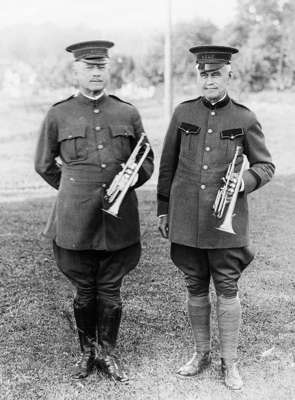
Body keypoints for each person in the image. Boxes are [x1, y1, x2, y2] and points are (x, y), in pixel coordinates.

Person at [35, 40, 154, 381]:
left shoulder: (127, 112)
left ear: (108, 69)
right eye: (89, 67)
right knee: (84, 292)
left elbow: (145, 160)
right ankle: (87, 352)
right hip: (75, 221)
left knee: (112, 294)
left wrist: (124, 186)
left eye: (101, 66)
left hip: (118, 221)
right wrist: (76, 189)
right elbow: (45, 165)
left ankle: (109, 353)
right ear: (76, 70)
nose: (96, 72)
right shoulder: (59, 114)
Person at [157, 45, 275, 390]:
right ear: (198, 75)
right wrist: (164, 208)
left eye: (216, 74)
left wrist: (245, 180)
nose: (209, 80)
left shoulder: (244, 118)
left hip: (227, 221)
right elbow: (167, 165)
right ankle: (200, 354)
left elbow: (266, 166)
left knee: (226, 287)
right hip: (187, 220)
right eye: (204, 74)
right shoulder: (182, 114)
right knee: (194, 286)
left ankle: (230, 363)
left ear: (228, 75)